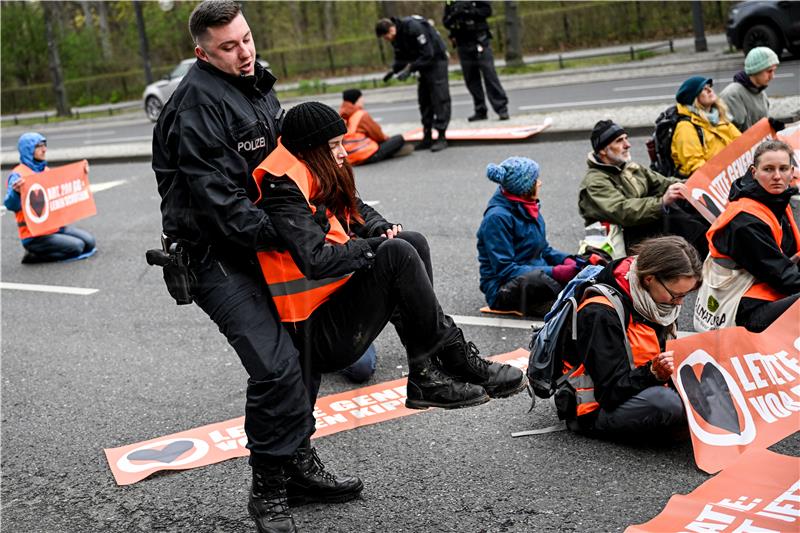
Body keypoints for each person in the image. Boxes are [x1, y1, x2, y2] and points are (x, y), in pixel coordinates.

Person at [151, 4, 357, 533]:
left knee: (305, 354)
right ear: (202, 51)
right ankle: (268, 491)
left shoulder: (258, 84)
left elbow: (287, 169)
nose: (244, 53)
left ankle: (298, 466)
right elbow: (223, 209)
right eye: (228, 47)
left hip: (267, 244)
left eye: (246, 39)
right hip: (213, 255)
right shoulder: (193, 107)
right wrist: (302, 230)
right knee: (274, 366)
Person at [253, 101, 526, 415]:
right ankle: (455, 356)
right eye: (335, 146)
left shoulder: (308, 166)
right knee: (395, 253)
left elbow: (355, 208)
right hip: (314, 333)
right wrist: (372, 247)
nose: (343, 153)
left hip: (333, 305)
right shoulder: (282, 186)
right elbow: (315, 260)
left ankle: (425, 372)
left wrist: (379, 228)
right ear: (310, 149)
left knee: (410, 242)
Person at [567, 236, 702, 440]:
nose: (680, 303)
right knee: (667, 403)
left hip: (640, 386)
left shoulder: (653, 299)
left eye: (686, 295)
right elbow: (610, 393)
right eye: (676, 295)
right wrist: (652, 373)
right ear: (649, 279)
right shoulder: (600, 313)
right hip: (595, 408)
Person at [704, 140, 800, 333]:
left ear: (792, 172)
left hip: (764, 291)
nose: (777, 176)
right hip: (744, 311)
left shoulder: (775, 200)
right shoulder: (745, 221)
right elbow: (783, 277)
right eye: (768, 169)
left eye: (783, 169)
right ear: (754, 172)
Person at [477, 156, 580, 317]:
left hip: (535, 275)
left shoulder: (528, 205)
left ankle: (566, 295)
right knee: (539, 281)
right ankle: (565, 296)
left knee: (587, 260)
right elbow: (506, 270)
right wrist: (556, 272)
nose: (540, 183)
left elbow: (543, 249)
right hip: (503, 288)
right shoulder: (497, 218)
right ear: (524, 188)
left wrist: (570, 260)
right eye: (535, 180)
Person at [579, 120, 684, 250]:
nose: (627, 145)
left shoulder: (629, 168)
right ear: (603, 150)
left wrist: (694, 183)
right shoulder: (595, 182)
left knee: (690, 221)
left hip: (646, 229)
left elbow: (664, 183)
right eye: (619, 141)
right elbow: (622, 210)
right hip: (626, 241)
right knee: (685, 231)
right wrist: (661, 202)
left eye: (626, 139)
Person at [4, 132, 96, 264]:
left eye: (44, 145)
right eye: (38, 146)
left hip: (55, 228)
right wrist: (15, 192)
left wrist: (81, 174)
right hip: (34, 236)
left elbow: (61, 190)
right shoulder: (18, 175)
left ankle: (48, 248)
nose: (44, 149)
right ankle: (33, 256)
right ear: (28, 150)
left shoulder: (45, 170)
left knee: (89, 243)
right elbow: (10, 205)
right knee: (77, 247)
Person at [376, 16, 451, 152]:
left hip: (436, 61)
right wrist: (393, 70)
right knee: (424, 100)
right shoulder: (396, 38)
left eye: (386, 37)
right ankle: (427, 136)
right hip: (423, 64)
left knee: (439, 98)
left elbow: (428, 54)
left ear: (391, 30)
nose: (387, 40)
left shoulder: (413, 27)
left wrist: (410, 69)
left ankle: (441, 137)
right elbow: (401, 58)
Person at [442, 1, 509, 122]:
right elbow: (445, 21)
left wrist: (469, 12)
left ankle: (501, 108)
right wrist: (454, 16)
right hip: (462, 42)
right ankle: (480, 109)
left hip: (479, 39)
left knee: (489, 74)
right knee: (471, 78)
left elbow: (487, 11)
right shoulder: (450, 1)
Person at [671, 76, 741, 178]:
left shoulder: (719, 119)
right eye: (703, 89)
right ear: (693, 98)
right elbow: (695, 166)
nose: (710, 90)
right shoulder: (686, 127)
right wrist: (726, 176)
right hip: (712, 184)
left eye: (709, 86)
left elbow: (743, 144)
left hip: (730, 177)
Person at [338, 88, 412, 165]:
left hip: (349, 156)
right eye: (361, 98)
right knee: (399, 139)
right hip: (366, 154)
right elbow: (378, 136)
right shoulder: (361, 115)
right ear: (357, 100)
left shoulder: (341, 116)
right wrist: (387, 140)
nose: (363, 101)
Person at [719, 46, 780, 132]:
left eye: (774, 71)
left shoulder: (760, 91)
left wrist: (771, 128)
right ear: (756, 70)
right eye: (769, 71)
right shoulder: (731, 95)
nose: (773, 76)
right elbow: (727, 135)